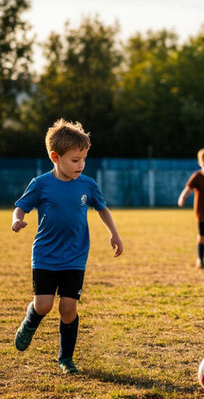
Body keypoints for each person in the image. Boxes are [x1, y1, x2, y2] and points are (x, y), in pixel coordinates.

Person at [11, 119, 123, 374]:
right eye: (75, 160)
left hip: (75, 256)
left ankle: (66, 359)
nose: (80, 165)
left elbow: (102, 209)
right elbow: (21, 206)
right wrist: (18, 219)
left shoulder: (87, 184)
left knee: (68, 308)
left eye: (84, 159)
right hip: (45, 255)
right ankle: (30, 323)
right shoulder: (40, 184)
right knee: (43, 306)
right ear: (55, 157)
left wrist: (114, 234)